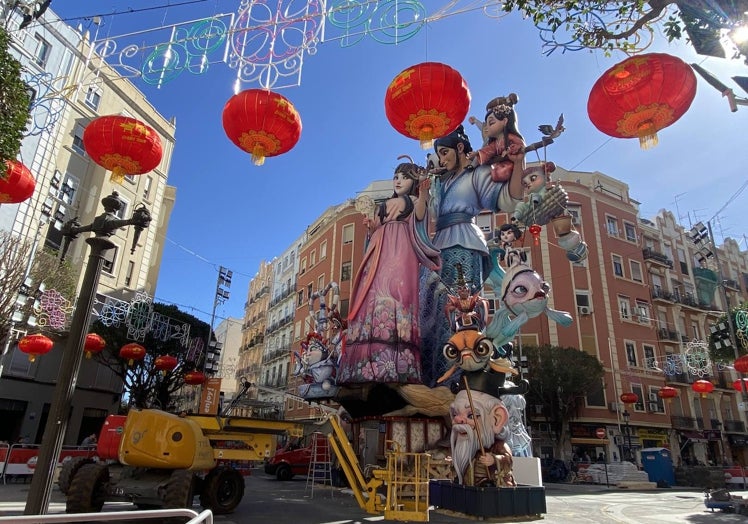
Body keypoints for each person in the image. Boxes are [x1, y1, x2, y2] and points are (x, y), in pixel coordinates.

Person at [420, 124, 525, 385]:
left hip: (465, 242)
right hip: (439, 247)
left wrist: (518, 164)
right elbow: (427, 214)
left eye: (445, 152)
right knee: (433, 312)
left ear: (459, 148)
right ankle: (433, 378)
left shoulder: (476, 175)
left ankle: (461, 378)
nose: (441, 159)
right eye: (439, 154)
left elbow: (509, 198)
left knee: (461, 312)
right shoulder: (439, 183)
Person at [338, 158, 441, 384]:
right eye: (396, 176)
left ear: (413, 180)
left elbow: (421, 215)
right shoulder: (385, 203)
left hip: (402, 249)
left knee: (398, 292)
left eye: (404, 177)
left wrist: (424, 193)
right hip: (380, 248)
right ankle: (366, 361)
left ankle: (398, 360)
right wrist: (373, 229)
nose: (398, 180)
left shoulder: (415, 199)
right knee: (373, 291)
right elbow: (376, 225)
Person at [449, 371, 516, 487]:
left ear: (497, 419)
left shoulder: (498, 446)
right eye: (455, 414)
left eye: (471, 415)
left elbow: (508, 460)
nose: (459, 420)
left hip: (493, 490)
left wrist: (494, 459)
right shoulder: (468, 449)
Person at [467, 94, 525, 183]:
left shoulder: (510, 137)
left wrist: (510, 151)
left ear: (505, 121)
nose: (487, 127)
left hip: (511, 164)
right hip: (498, 164)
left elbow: (519, 145)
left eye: (491, 122)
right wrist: (477, 154)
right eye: (487, 123)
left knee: (499, 173)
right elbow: (488, 150)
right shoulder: (494, 142)